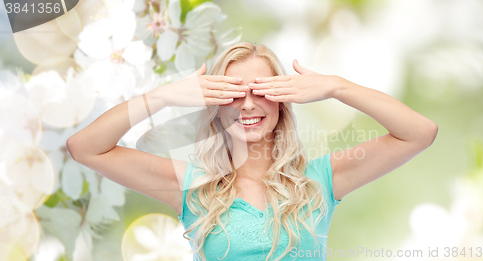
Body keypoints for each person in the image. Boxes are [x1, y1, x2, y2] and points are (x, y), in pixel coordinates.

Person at [67, 42, 438, 261]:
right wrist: (162, 96)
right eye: (232, 91)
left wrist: (336, 87)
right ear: (214, 104)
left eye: (260, 90)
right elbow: (85, 148)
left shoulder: (322, 180)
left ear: (282, 101)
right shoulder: (192, 187)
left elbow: (419, 133)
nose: (246, 104)